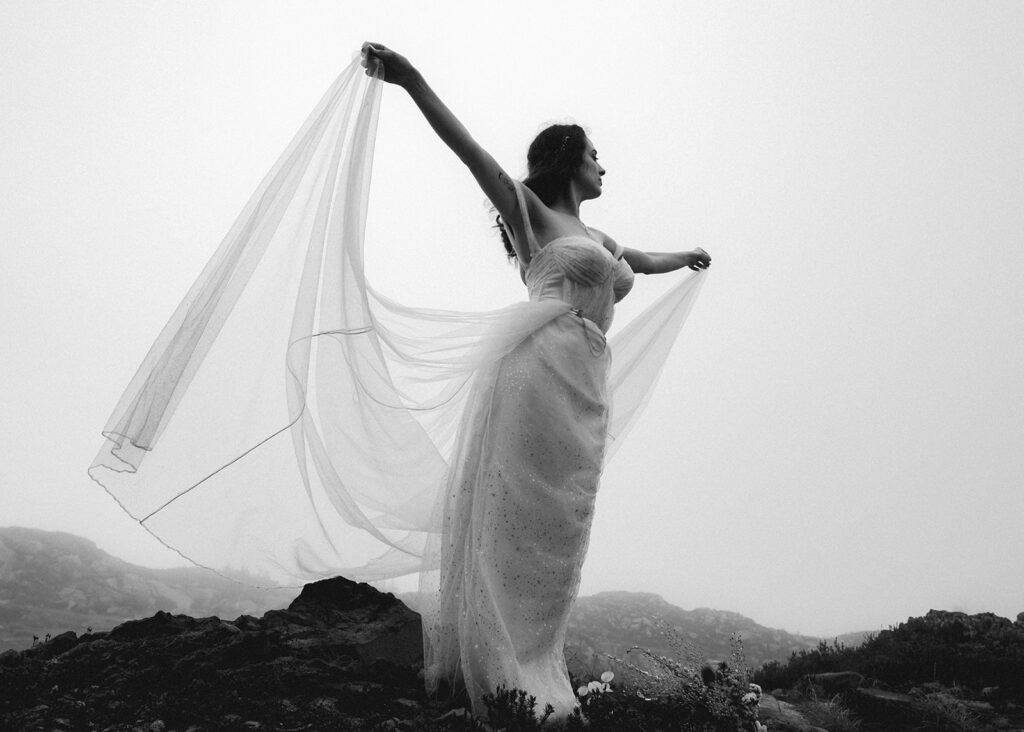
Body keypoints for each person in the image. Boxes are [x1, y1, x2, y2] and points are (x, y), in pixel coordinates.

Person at [360, 43, 711, 720]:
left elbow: (642, 259)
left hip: (584, 386)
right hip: (535, 370)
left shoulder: (600, 238)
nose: (604, 164)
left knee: (560, 524)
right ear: (569, 160)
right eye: (594, 155)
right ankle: (498, 673)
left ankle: (536, 667)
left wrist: (689, 255)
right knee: (513, 514)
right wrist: (413, 81)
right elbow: (473, 157)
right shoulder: (529, 212)